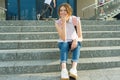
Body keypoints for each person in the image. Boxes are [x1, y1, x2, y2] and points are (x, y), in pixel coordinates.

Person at [55, 3, 83, 80]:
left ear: (69, 12)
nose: (63, 12)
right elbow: (63, 38)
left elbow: (80, 36)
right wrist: (63, 23)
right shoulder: (57, 22)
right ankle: (63, 69)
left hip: (73, 42)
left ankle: (73, 69)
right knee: (64, 44)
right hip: (62, 43)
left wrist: (75, 40)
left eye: (65, 10)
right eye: (61, 10)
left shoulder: (75, 20)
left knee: (78, 44)